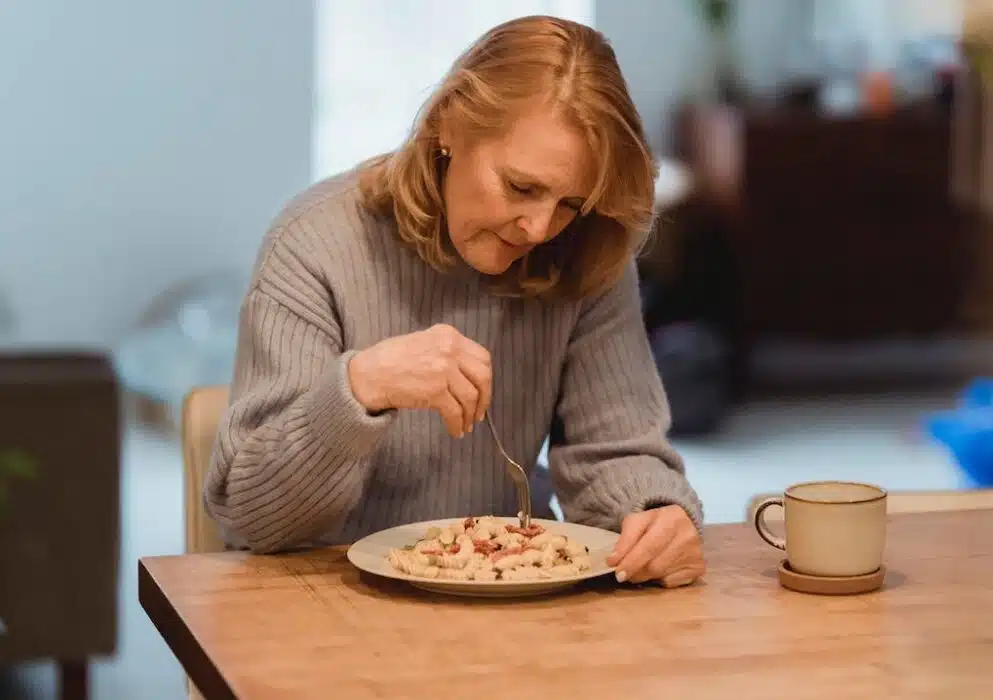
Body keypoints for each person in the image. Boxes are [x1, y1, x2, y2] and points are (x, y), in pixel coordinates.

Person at [205, 15, 706, 587]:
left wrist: (651, 517)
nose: (541, 228)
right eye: (521, 187)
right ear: (449, 123)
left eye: (570, 203)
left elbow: (615, 452)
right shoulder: (312, 244)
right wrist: (360, 389)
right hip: (325, 602)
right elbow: (250, 518)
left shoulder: (585, 251)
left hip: (510, 600)